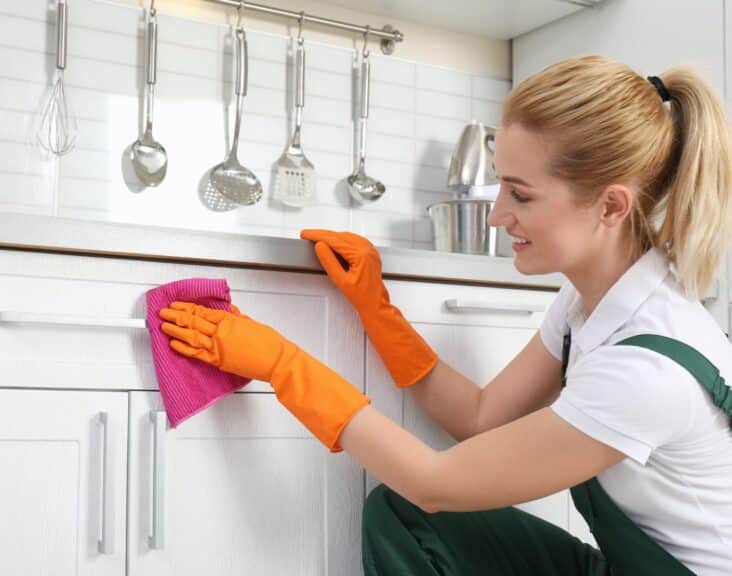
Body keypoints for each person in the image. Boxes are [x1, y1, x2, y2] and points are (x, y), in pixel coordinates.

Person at [158, 55, 732, 575]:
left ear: (610, 206)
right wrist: (378, 310)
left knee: (420, 500)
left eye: (521, 195)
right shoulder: (592, 303)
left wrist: (285, 366)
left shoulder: (647, 369)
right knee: (406, 516)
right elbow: (481, 418)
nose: (496, 216)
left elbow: (436, 484)